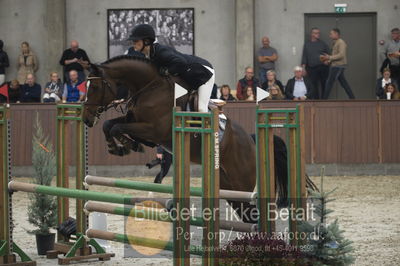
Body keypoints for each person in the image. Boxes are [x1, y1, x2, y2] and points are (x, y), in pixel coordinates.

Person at [128, 24, 214, 113]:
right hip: (187, 77)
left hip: (203, 72)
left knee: (201, 108)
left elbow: (181, 63)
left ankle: (217, 125)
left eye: (135, 40)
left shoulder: (160, 52)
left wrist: (166, 71)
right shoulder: (149, 55)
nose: (133, 43)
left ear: (146, 41)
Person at [320, 28, 355, 99]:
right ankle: (352, 98)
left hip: (338, 66)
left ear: (336, 34)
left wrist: (329, 57)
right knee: (343, 83)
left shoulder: (341, 42)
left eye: (331, 34)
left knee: (329, 83)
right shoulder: (336, 43)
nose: (330, 36)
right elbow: (335, 56)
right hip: (337, 65)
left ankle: (323, 100)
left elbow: (341, 55)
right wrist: (328, 61)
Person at [301, 27, 330, 99]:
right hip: (311, 68)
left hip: (322, 67)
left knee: (324, 83)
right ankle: (316, 100)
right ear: (312, 34)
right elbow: (304, 56)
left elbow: (329, 55)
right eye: (316, 33)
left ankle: (324, 100)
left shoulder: (323, 44)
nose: (318, 34)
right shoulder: (307, 44)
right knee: (313, 85)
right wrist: (303, 68)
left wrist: (328, 61)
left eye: (318, 33)